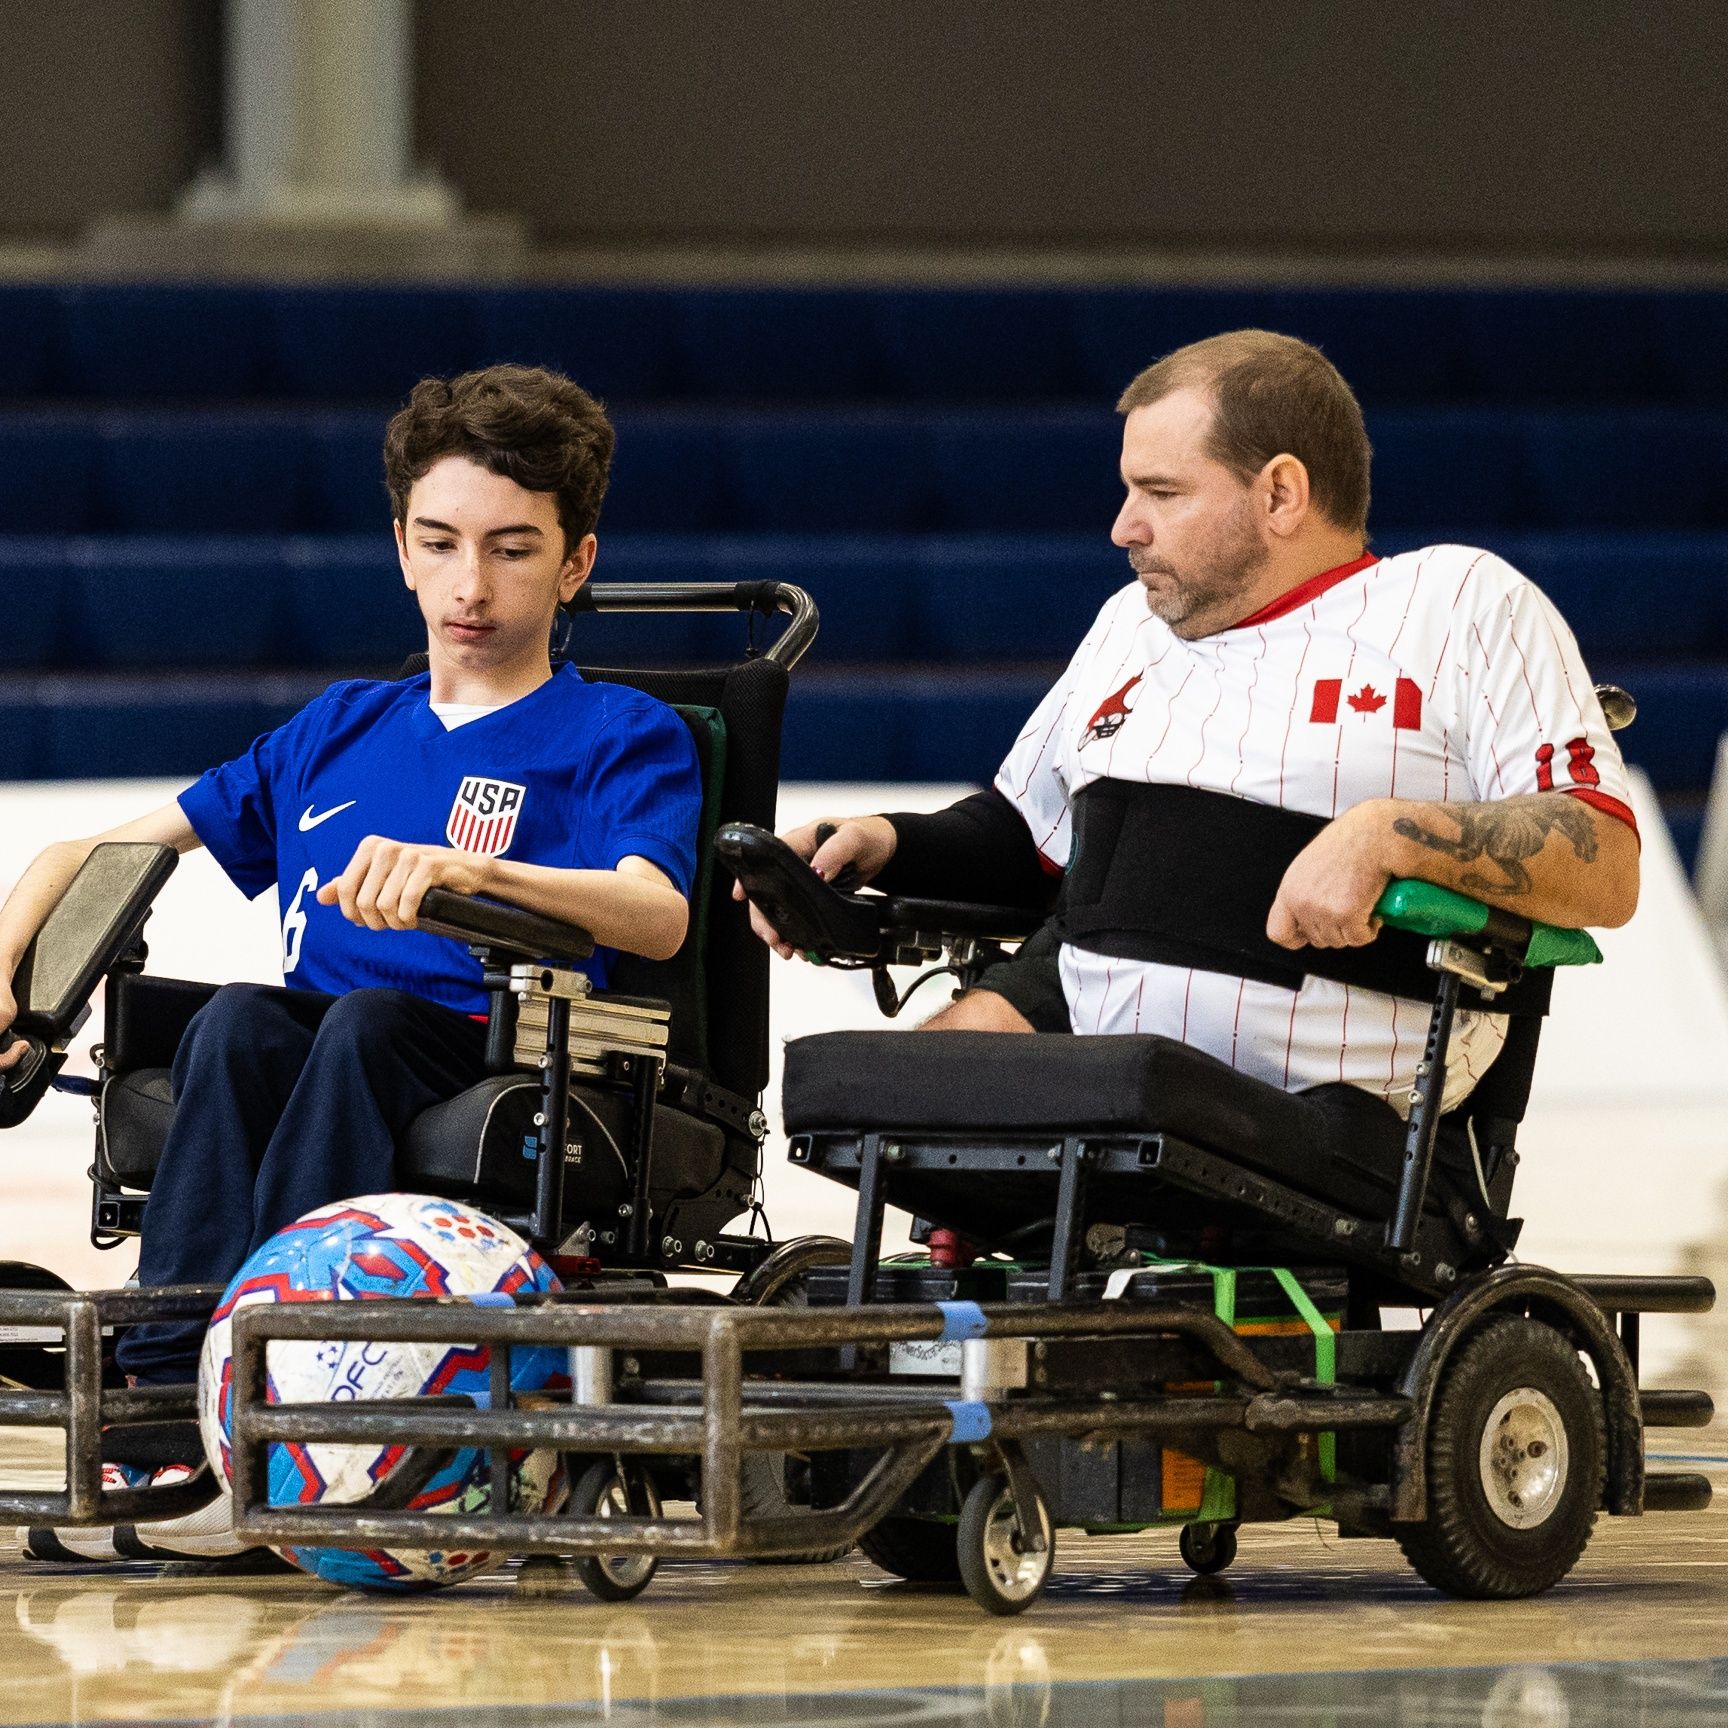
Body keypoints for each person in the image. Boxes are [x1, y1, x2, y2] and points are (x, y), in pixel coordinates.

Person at [0, 363, 702, 1561]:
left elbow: (657, 916)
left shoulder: (620, 732)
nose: (470, 586)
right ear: (401, 547)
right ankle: (169, 1403)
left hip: (497, 1050)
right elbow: (101, 843)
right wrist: (10, 955)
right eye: (441, 543)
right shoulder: (341, 726)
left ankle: (274, 1389)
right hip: (328, 1038)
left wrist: (472, 874)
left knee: (364, 1020)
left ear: (575, 563)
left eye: (513, 550)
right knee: (230, 1021)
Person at [745, 329, 1639, 1123]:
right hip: (1099, 1053)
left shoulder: (1457, 602)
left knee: (1076, 1092)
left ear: (1281, 493)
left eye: (1161, 492)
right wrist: (874, 842)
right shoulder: (1130, 625)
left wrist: (1387, 834)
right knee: (868, 1102)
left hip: (1332, 1100)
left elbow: (1604, 857)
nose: (1122, 526)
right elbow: (1031, 839)